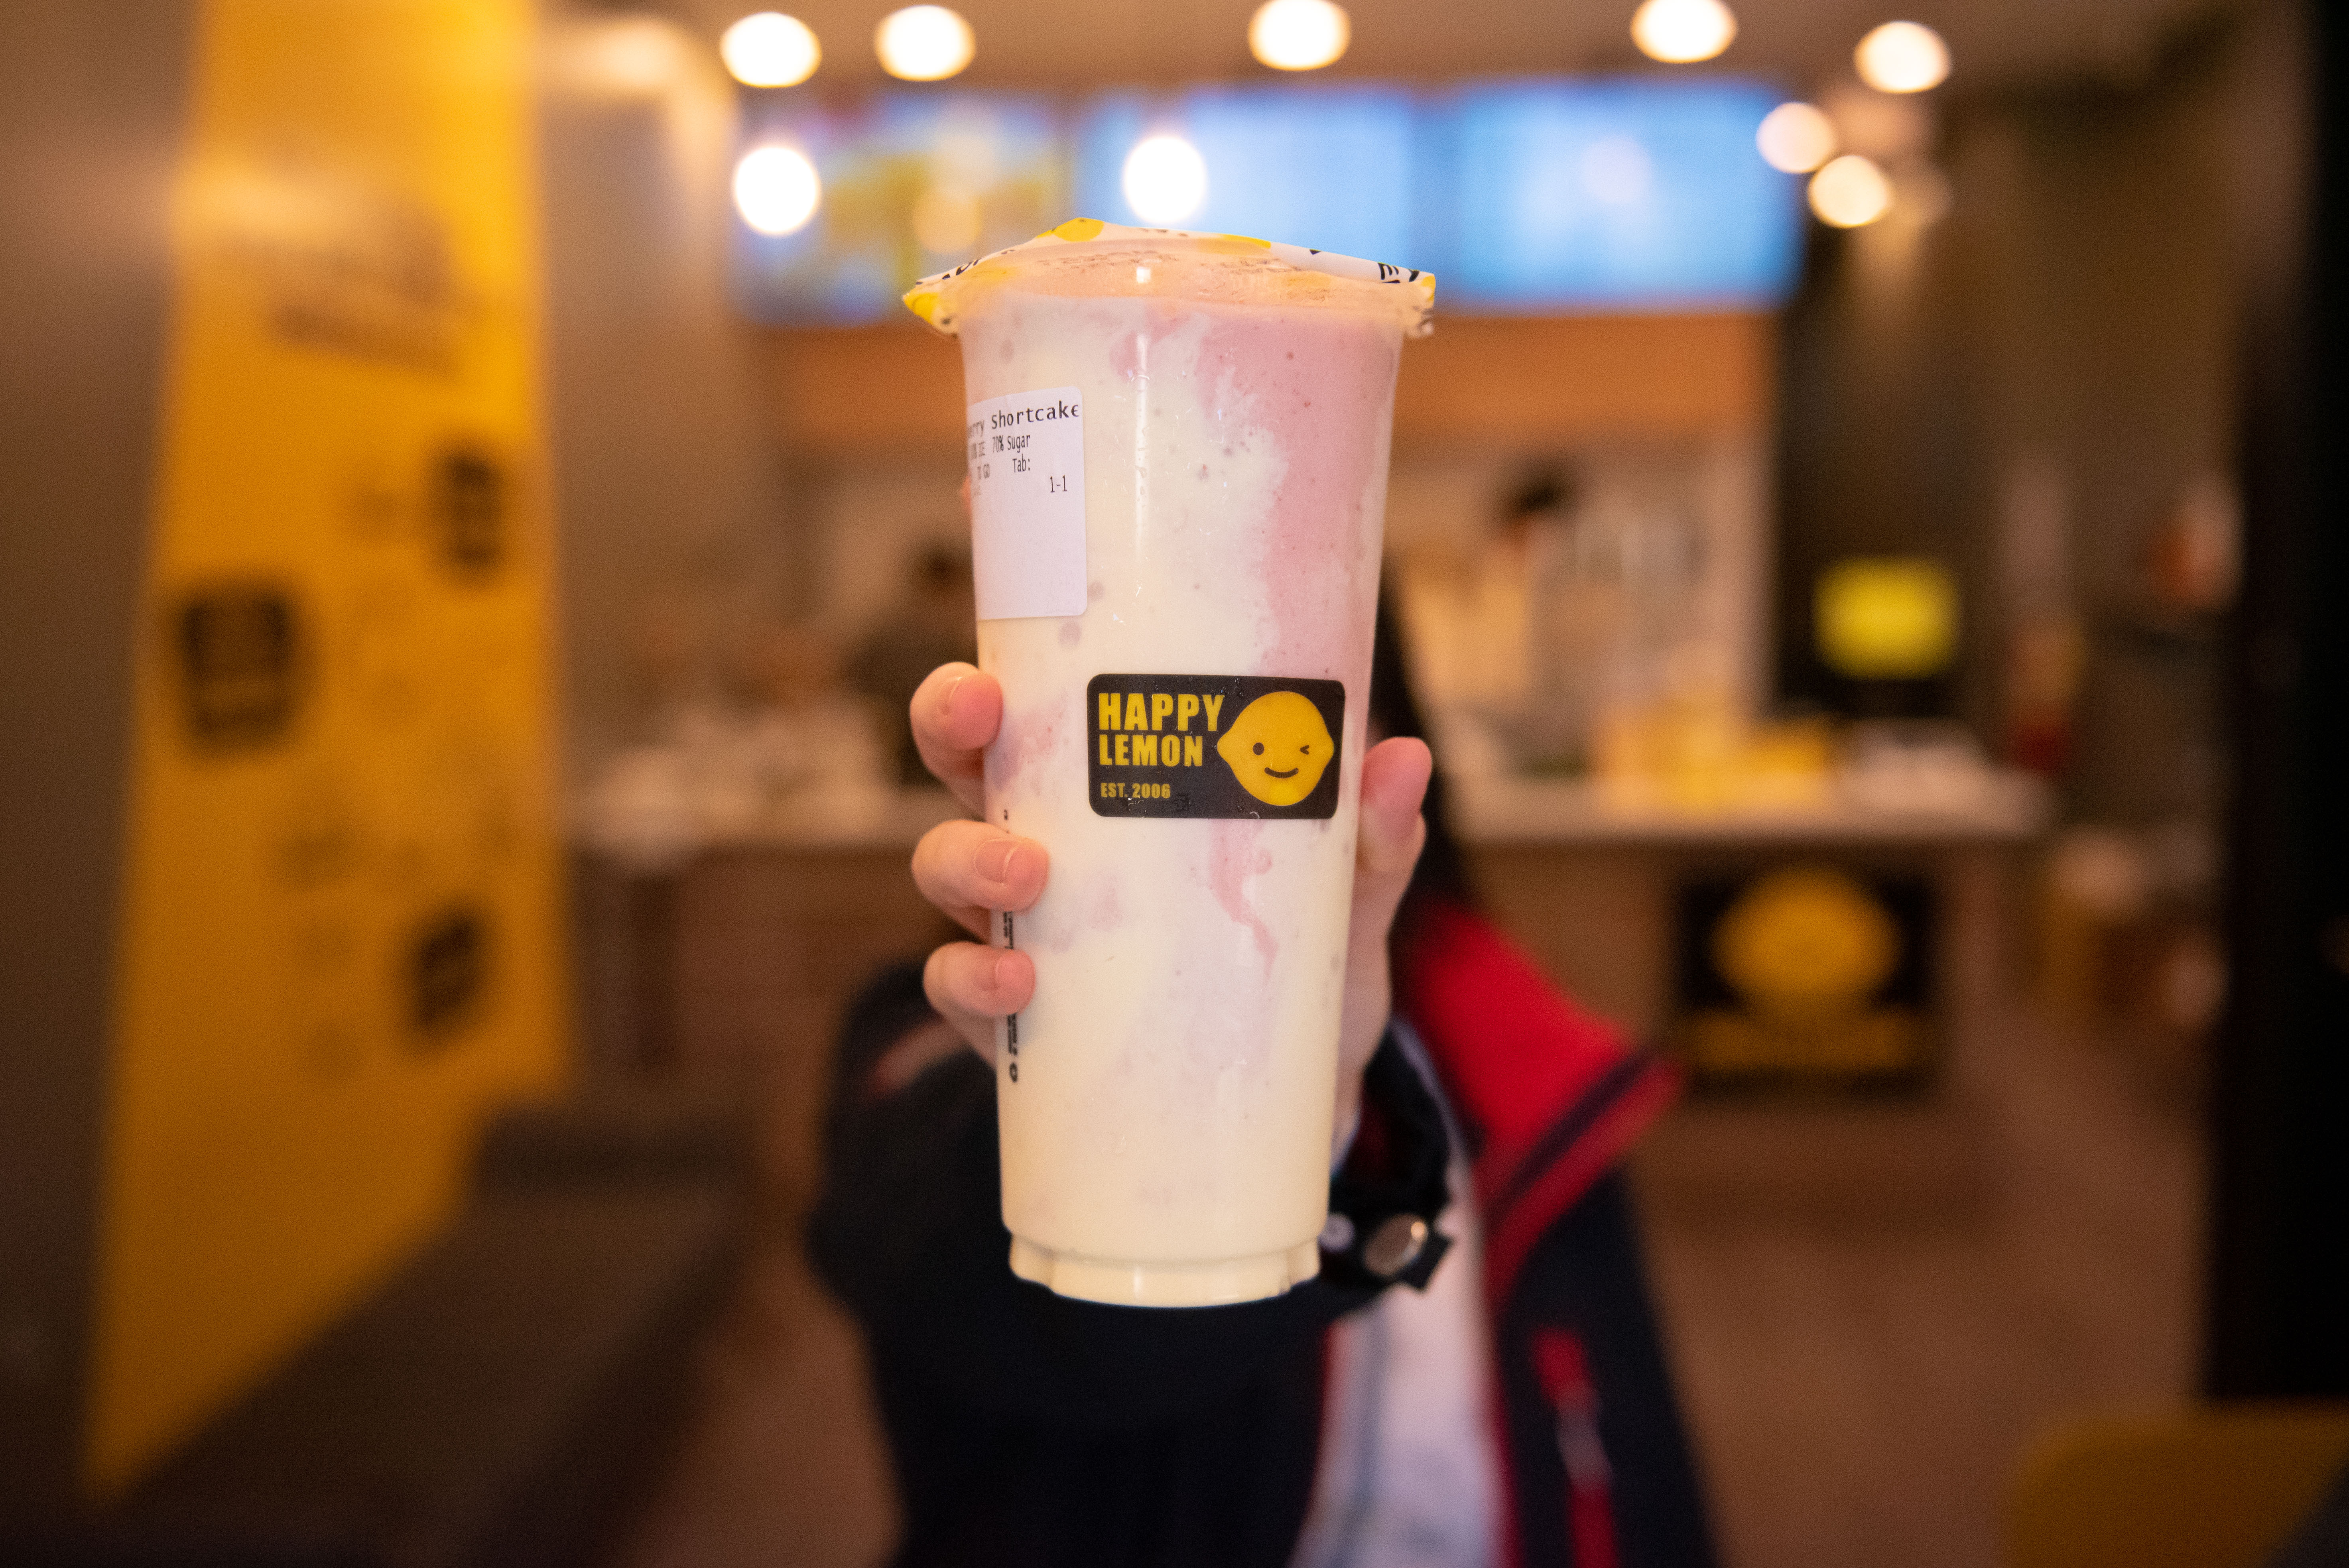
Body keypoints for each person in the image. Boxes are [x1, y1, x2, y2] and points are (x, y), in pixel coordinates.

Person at [808, 595, 1718, 1568]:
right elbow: (989, 1289)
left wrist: (1328, 1101)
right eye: (1166, 709)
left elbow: (1637, 1463)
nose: (1214, 769)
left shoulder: (1510, 1054)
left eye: (1269, 691)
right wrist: (1111, 1116)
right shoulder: (946, 1033)